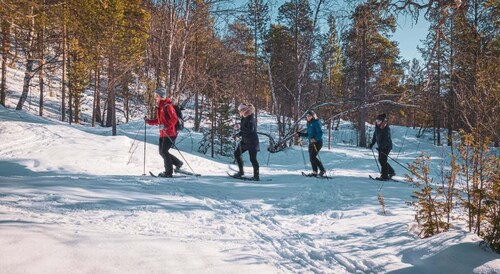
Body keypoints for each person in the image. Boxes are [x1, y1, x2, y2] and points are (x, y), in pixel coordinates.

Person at [145, 87, 183, 177]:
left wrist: (166, 126)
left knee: (164, 151)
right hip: (163, 133)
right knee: (162, 152)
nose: (155, 97)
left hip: (170, 133)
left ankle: (168, 173)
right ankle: (178, 163)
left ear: (161, 96)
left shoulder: (168, 106)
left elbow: (174, 119)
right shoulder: (161, 107)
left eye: (157, 96)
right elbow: (159, 121)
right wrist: (148, 121)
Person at [232, 103, 260, 181]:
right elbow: (244, 130)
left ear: (244, 110)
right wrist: (238, 134)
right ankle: (241, 172)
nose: (239, 112)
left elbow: (250, 130)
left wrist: (240, 129)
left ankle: (256, 176)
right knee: (237, 154)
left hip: (252, 142)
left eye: (240, 110)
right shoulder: (244, 118)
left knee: (253, 159)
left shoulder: (250, 118)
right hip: (245, 141)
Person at [297, 110, 326, 177]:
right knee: (311, 158)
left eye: (309, 116)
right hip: (311, 143)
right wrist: (300, 134)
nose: (308, 117)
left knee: (313, 157)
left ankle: (322, 170)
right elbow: (308, 134)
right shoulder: (309, 123)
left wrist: (315, 139)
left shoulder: (316, 122)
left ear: (313, 116)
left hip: (317, 142)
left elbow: (320, 133)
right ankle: (315, 172)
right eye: (307, 116)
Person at [369, 113, 395, 180]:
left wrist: (382, 147)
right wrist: (372, 143)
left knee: (383, 160)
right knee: (381, 160)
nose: (377, 122)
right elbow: (375, 136)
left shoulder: (386, 129)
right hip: (381, 146)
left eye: (379, 121)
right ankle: (391, 172)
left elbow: (386, 140)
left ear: (382, 121)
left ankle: (384, 176)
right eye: (377, 121)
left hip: (387, 146)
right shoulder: (377, 127)